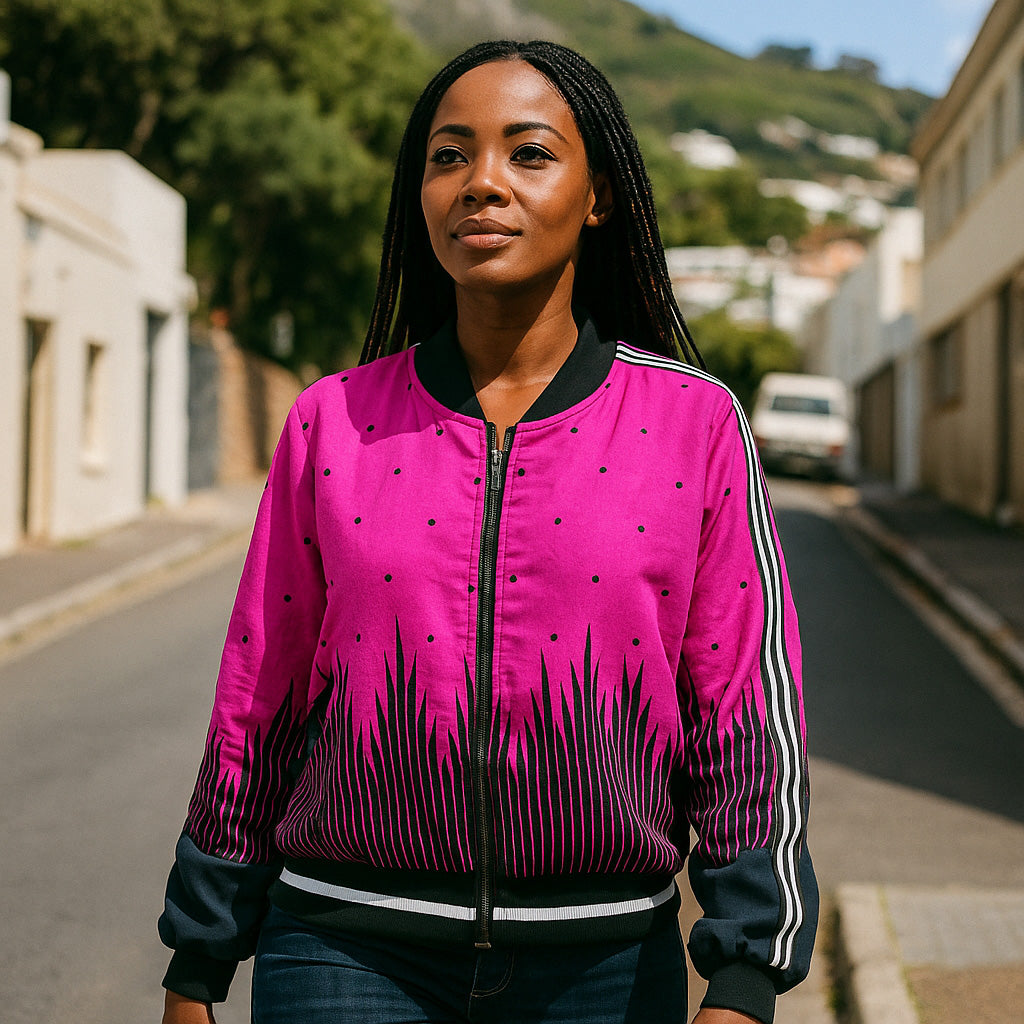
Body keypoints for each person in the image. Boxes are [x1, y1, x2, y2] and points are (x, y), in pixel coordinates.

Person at [159, 39, 817, 1024]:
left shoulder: (695, 423)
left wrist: (745, 971)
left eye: (530, 152)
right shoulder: (331, 420)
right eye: (449, 156)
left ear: (599, 197)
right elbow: (259, 694)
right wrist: (199, 955)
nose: (482, 182)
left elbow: (744, 707)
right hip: (341, 954)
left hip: (601, 964)